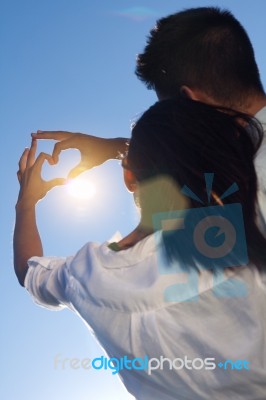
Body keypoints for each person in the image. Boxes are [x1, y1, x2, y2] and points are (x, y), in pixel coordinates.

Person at [14, 96, 266, 399]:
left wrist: (26, 203)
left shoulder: (93, 276)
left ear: (129, 176)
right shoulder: (251, 218)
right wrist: (122, 150)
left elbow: (28, 270)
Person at [32, 7, 266, 234]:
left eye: (174, 116)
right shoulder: (242, 155)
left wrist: (26, 204)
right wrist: (116, 147)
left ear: (191, 103)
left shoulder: (247, 201)